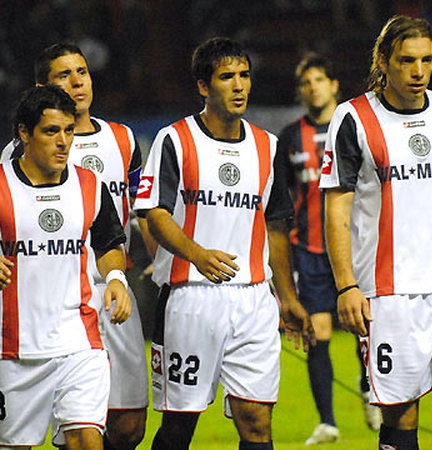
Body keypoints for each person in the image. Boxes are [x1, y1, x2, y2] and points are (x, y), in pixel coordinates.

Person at [134, 37, 315, 450]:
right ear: (203, 86)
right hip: (190, 298)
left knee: (257, 422)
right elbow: (155, 213)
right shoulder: (174, 140)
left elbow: (275, 225)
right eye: (226, 77)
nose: (238, 86)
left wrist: (287, 297)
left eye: (244, 76)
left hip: (253, 300)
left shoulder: (268, 146)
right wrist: (196, 255)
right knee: (180, 422)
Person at [0, 84, 131, 449]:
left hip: (79, 343)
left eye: (68, 131)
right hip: (12, 351)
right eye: (51, 131)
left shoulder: (90, 185)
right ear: (24, 133)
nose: (63, 142)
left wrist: (115, 277)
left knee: (87, 441)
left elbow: (110, 243)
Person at [319, 15, 432, 450]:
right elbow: (337, 208)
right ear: (382, 62)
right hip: (388, 295)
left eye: (426, 60)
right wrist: (346, 285)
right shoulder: (354, 118)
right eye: (406, 61)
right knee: (402, 414)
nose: (418, 71)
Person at [1, 42, 152, 450]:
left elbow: (141, 210)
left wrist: (158, 259)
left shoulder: (123, 139)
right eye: (63, 75)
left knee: (130, 426)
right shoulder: (22, 150)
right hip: (59, 301)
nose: (77, 82)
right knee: (78, 429)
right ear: (42, 89)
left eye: (81, 72)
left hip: (113, 290)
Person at [277, 52, 380, 445]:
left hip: (356, 245)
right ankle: (328, 422)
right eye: (306, 82)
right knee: (317, 331)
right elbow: (282, 200)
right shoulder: (290, 137)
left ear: (334, 84)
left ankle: (369, 386)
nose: (313, 88)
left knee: (363, 325)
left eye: (319, 79)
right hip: (308, 248)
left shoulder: (355, 127)